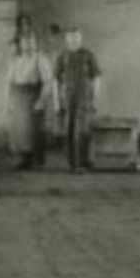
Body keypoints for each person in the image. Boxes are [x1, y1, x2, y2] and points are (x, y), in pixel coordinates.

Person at [4, 32, 56, 170]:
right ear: (21, 44)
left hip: (33, 95)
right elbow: (9, 82)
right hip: (17, 96)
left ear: (35, 43)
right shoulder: (15, 60)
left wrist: (42, 100)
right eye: (25, 42)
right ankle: (22, 159)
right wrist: (8, 102)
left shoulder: (41, 59)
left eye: (31, 42)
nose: (28, 45)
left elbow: (48, 82)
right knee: (18, 130)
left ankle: (36, 160)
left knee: (33, 130)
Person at [54, 26, 101, 172]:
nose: (73, 41)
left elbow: (97, 78)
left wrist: (94, 97)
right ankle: (73, 163)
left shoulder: (88, 55)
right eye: (70, 38)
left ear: (81, 39)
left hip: (85, 99)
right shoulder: (62, 56)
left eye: (76, 38)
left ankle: (84, 162)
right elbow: (56, 80)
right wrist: (56, 102)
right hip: (68, 98)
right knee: (68, 130)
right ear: (66, 40)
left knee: (83, 130)